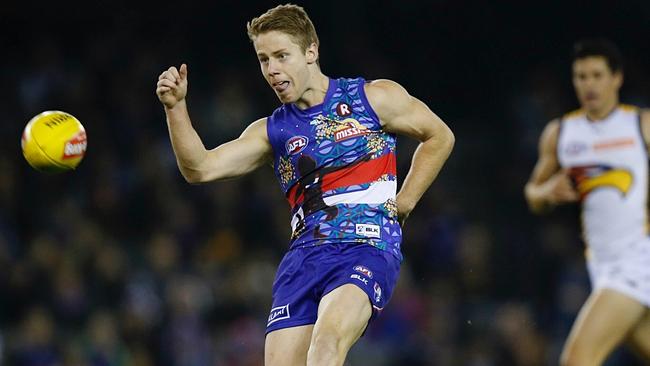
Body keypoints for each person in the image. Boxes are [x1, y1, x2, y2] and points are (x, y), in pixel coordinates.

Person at [156, 4, 453, 365]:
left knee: (326, 344)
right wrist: (175, 107)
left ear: (311, 50)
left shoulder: (373, 98)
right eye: (264, 60)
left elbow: (438, 136)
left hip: (365, 248)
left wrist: (405, 201)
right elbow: (199, 168)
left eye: (282, 56)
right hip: (303, 261)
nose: (272, 70)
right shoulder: (273, 130)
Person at [525, 39, 650, 365]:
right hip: (603, 265)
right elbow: (532, 195)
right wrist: (548, 192)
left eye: (597, 75)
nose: (589, 84)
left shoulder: (641, 125)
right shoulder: (562, 133)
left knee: (577, 360)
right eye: (581, 76)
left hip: (638, 260)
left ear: (616, 78)